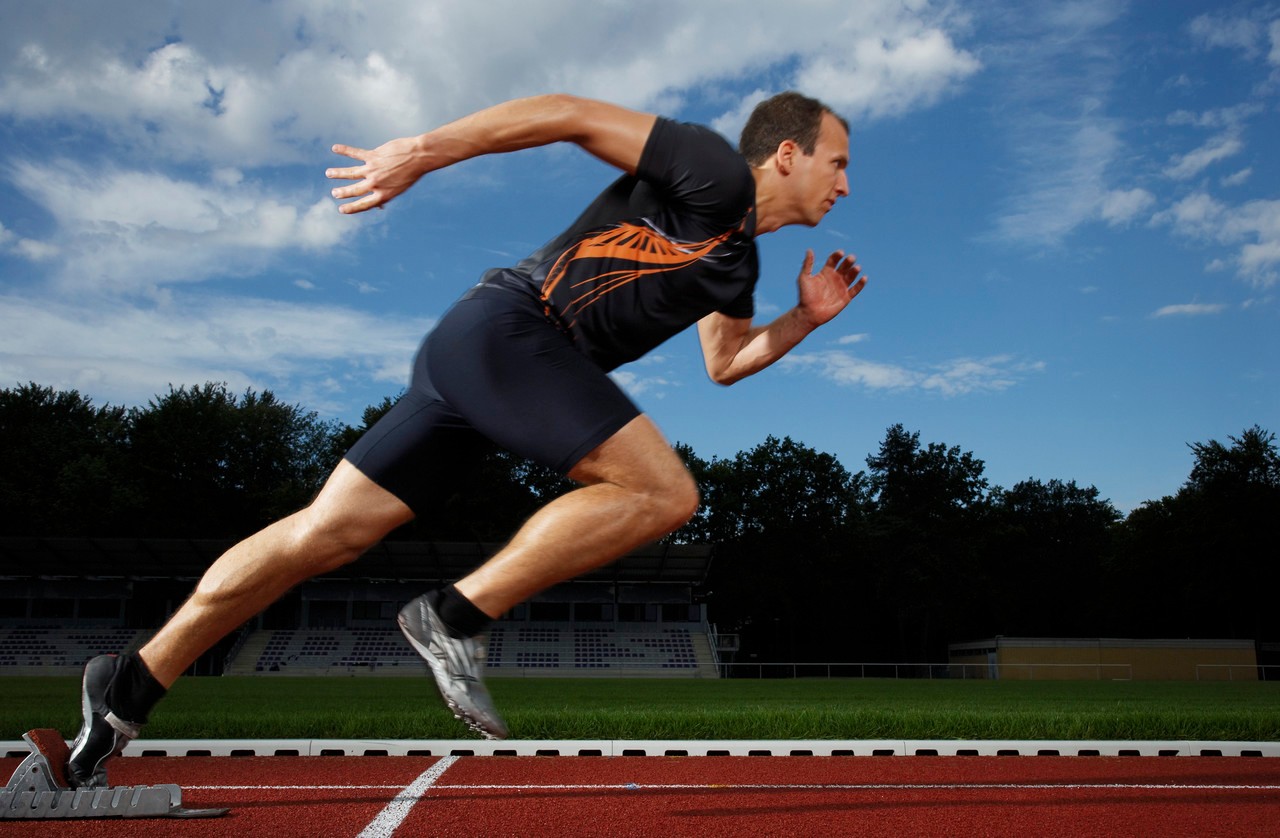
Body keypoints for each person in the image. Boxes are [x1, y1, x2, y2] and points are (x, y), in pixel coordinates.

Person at [66, 91, 867, 787]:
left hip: (489, 364)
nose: (845, 183)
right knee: (662, 492)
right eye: (836, 162)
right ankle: (453, 617)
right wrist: (421, 151)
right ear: (786, 154)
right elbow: (569, 114)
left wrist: (799, 321)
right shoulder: (711, 170)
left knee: (325, 532)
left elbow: (726, 362)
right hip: (512, 330)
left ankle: (129, 686)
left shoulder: (734, 268)